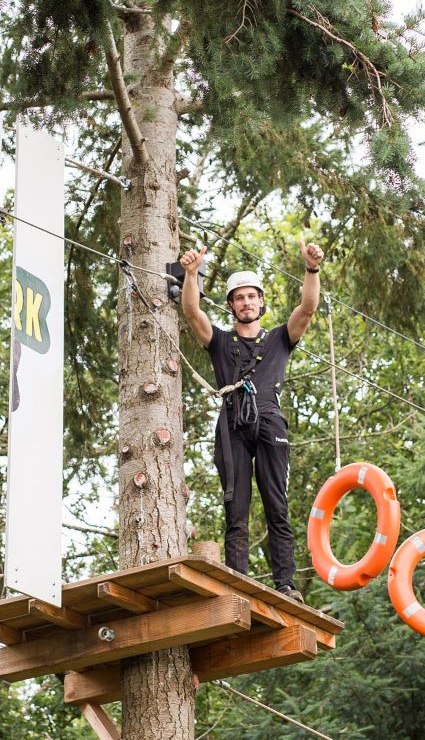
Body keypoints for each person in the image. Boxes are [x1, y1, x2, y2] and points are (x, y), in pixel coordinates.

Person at [178, 239, 324, 601]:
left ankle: (286, 584)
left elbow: (307, 309)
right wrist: (191, 274)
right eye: (239, 298)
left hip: (269, 420)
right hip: (232, 424)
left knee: (277, 504)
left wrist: (311, 269)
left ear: (261, 302)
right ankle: (238, 582)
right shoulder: (221, 342)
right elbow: (193, 313)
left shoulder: (278, 339)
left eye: (251, 297)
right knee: (235, 507)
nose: (246, 303)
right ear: (231, 305)